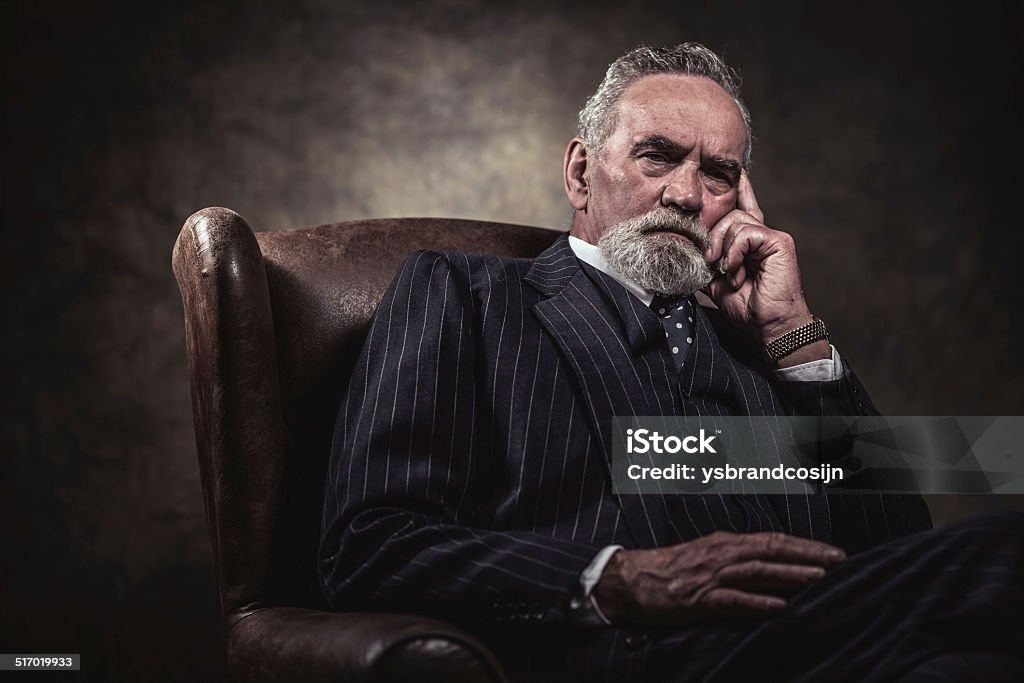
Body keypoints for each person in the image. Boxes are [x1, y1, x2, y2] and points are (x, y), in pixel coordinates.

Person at [319, 43, 1023, 681]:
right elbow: (370, 542)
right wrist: (614, 578)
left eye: (718, 174)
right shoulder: (465, 296)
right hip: (628, 655)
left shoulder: (764, 348)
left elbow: (897, 546)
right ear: (580, 171)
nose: (687, 195)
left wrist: (796, 336)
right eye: (658, 155)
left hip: (821, 645)